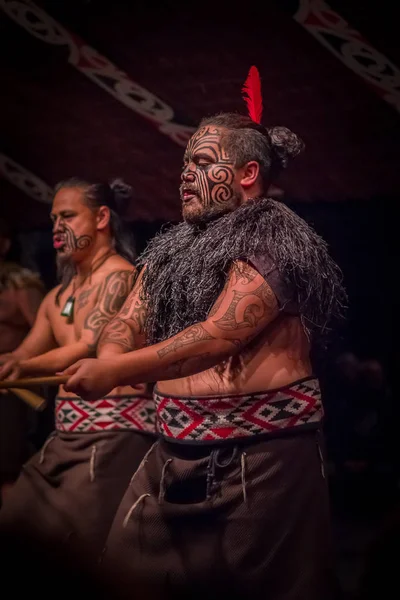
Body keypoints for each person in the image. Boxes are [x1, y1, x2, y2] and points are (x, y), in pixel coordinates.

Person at [63, 110, 347, 599]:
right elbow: (129, 319)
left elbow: (219, 335)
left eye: (201, 163)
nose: (185, 176)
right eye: (184, 165)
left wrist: (115, 370)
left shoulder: (273, 235)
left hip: (261, 462)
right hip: (171, 454)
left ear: (247, 174)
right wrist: (111, 354)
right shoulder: (173, 246)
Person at [0, 178, 156, 561]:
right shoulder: (57, 297)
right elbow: (23, 355)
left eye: (68, 215)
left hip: (116, 435)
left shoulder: (120, 276)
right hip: (66, 436)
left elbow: (89, 346)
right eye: (53, 218)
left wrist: (22, 365)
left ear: (102, 217)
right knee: (15, 521)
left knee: (74, 552)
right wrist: (10, 366)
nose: (57, 226)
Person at [0, 219, 45, 499]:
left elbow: (44, 337)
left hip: (11, 388)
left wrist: (20, 364)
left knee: (6, 466)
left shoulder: (20, 284)